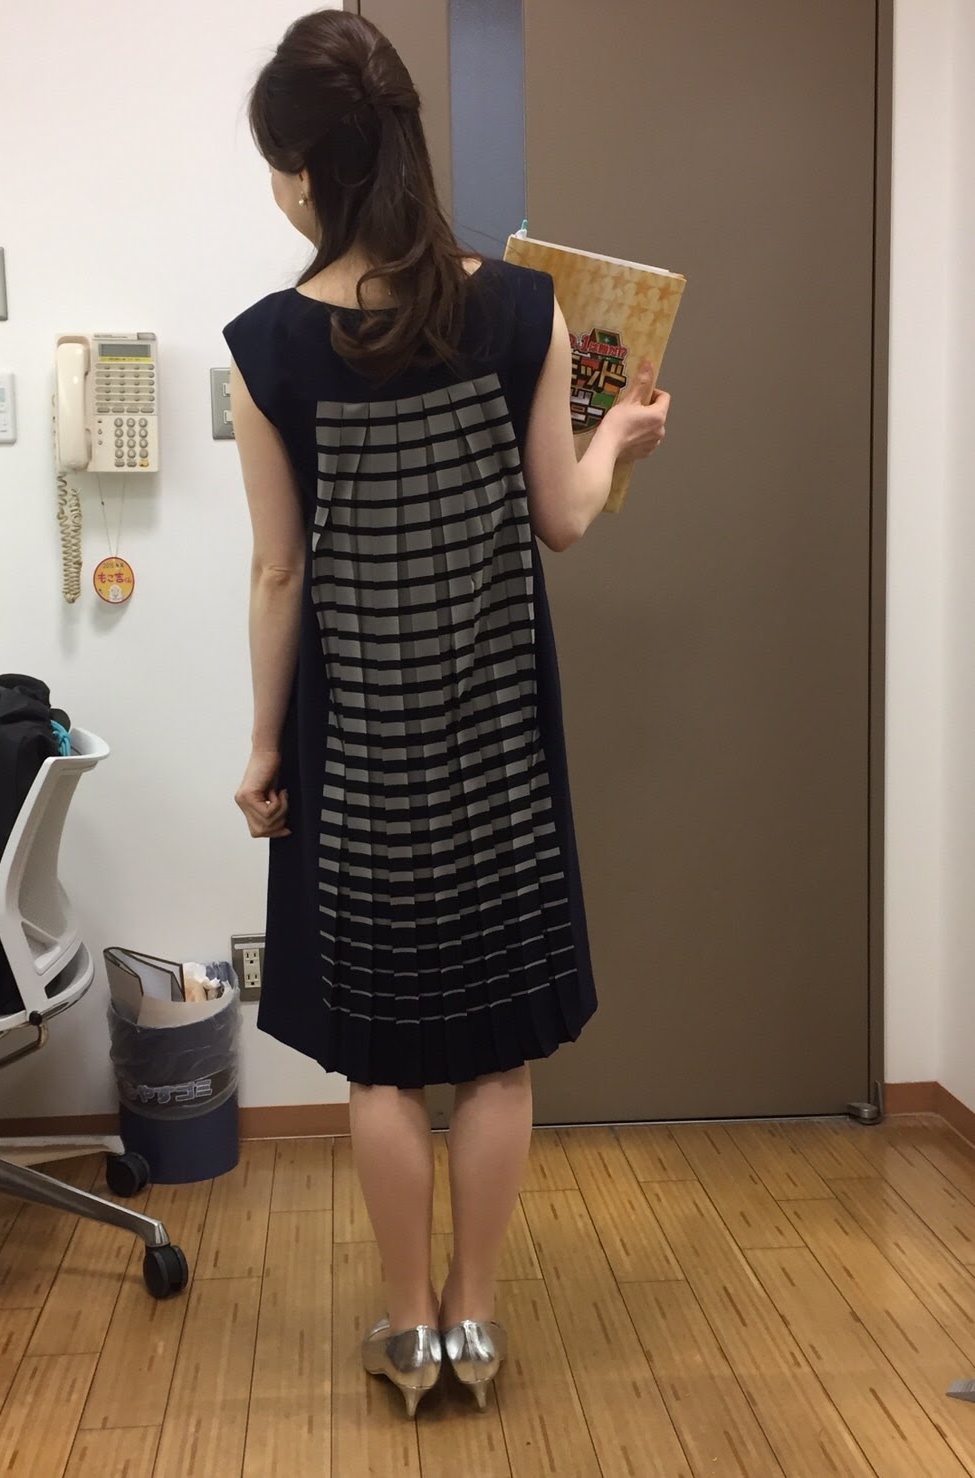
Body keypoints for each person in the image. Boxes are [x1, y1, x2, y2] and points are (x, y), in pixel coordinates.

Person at [224, 8, 670, 1419]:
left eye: (276, 163)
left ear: (309, 169)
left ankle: (408, 1328)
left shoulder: (266, 351)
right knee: (493, 1056)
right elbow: (563, 519)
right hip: (498, 763)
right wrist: (619, 433)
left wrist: (263, 748)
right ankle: (476, 1324)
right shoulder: (522, 312)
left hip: (361, 767)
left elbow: (281, 571)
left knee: (381, 1067)